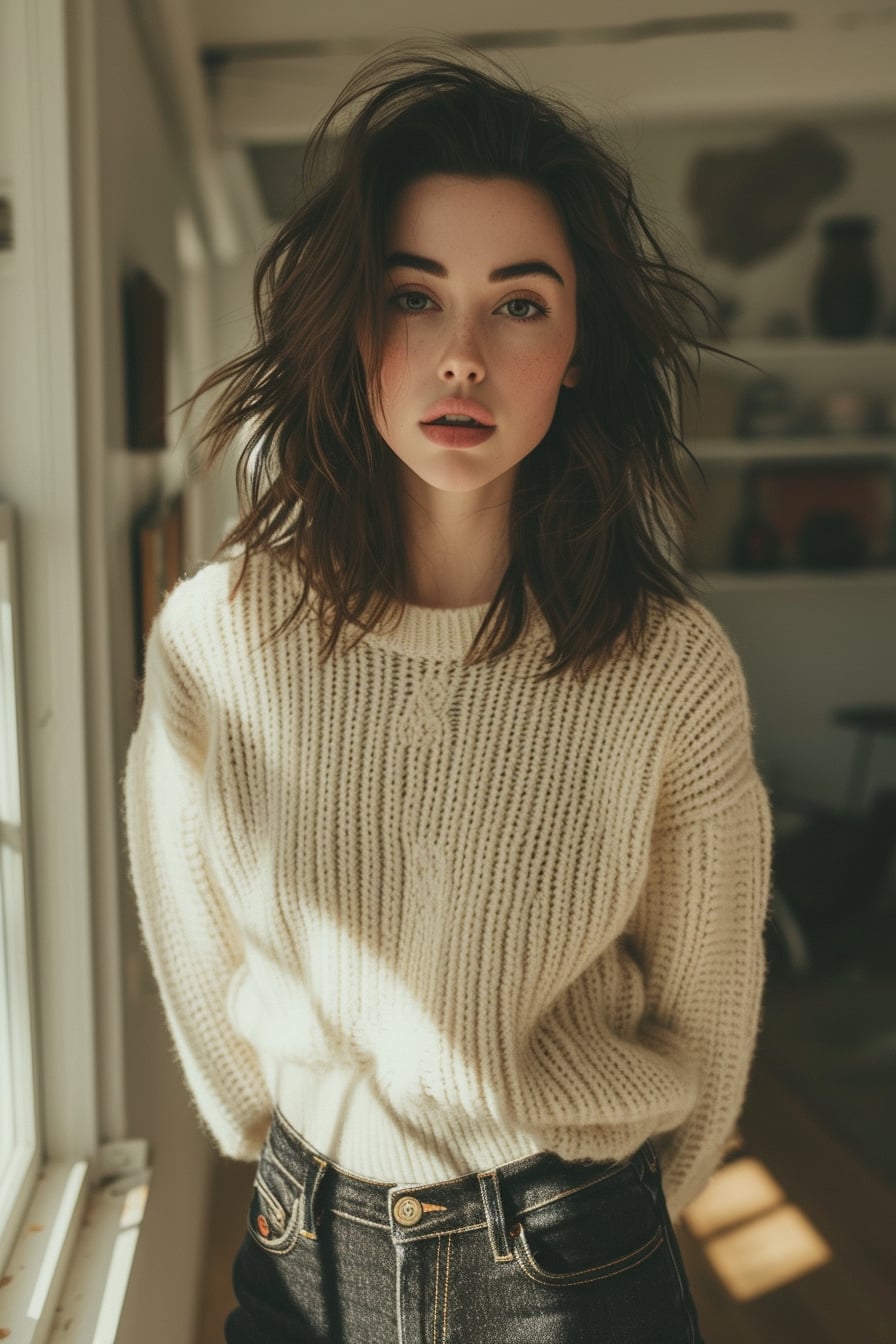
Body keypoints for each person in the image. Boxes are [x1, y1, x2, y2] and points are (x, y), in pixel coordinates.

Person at [124, 42, 772, 1344]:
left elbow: (708, 1011)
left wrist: (592, 1222)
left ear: (579, 344)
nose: (462, 355)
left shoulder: (668, 666)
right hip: (305, 1252)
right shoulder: (220, 634)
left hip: (572, 1260)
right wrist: (311, 1147)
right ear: (354, 322)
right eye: (415, 298)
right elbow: (195, 952)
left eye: (518, 304)